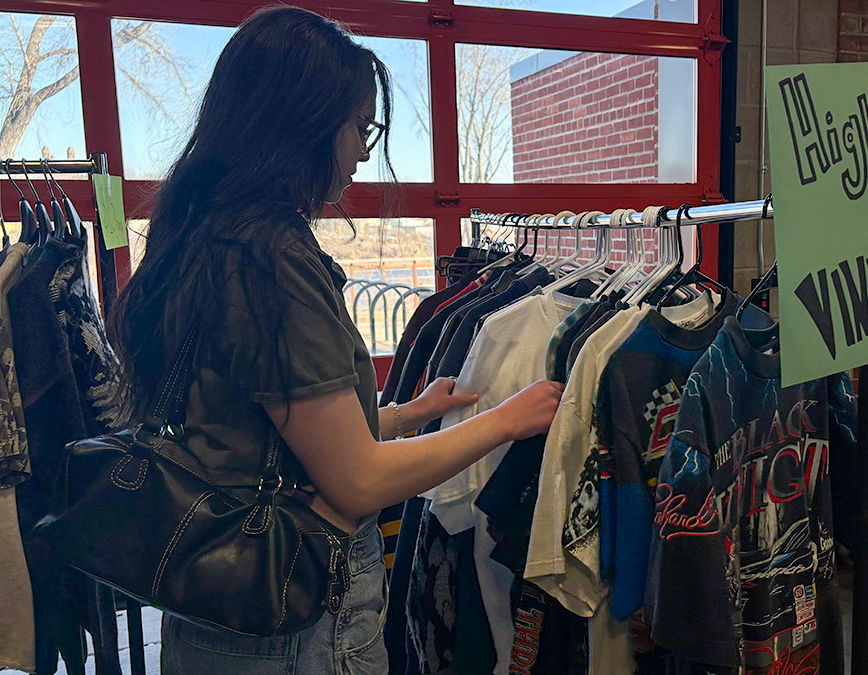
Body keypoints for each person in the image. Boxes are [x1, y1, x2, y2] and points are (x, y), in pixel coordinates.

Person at [107, 6, 563, 674]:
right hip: (293, 624)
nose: (360, 150)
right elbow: (355, 481)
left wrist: (406, 414)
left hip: (214, 608)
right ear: (304, 123)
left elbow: (268, 434)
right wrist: (504, 421)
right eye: (358, 126)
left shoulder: (199, 234)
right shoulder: (271, 259)